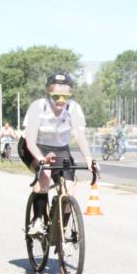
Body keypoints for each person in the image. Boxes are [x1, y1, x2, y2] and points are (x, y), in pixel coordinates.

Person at [20, 73, 94, 234]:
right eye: (56, 96)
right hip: (34, 147)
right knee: (45, 174)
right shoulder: (38, 107)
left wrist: (89, 159)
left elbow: (79, 136)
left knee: (69, 189)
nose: (61, 100)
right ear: (48, 93)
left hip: (60, 148)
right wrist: (41, 159)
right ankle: (38, 220)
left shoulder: (73, 108)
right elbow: (30, 142)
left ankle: (60, 231)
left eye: (65, 96)